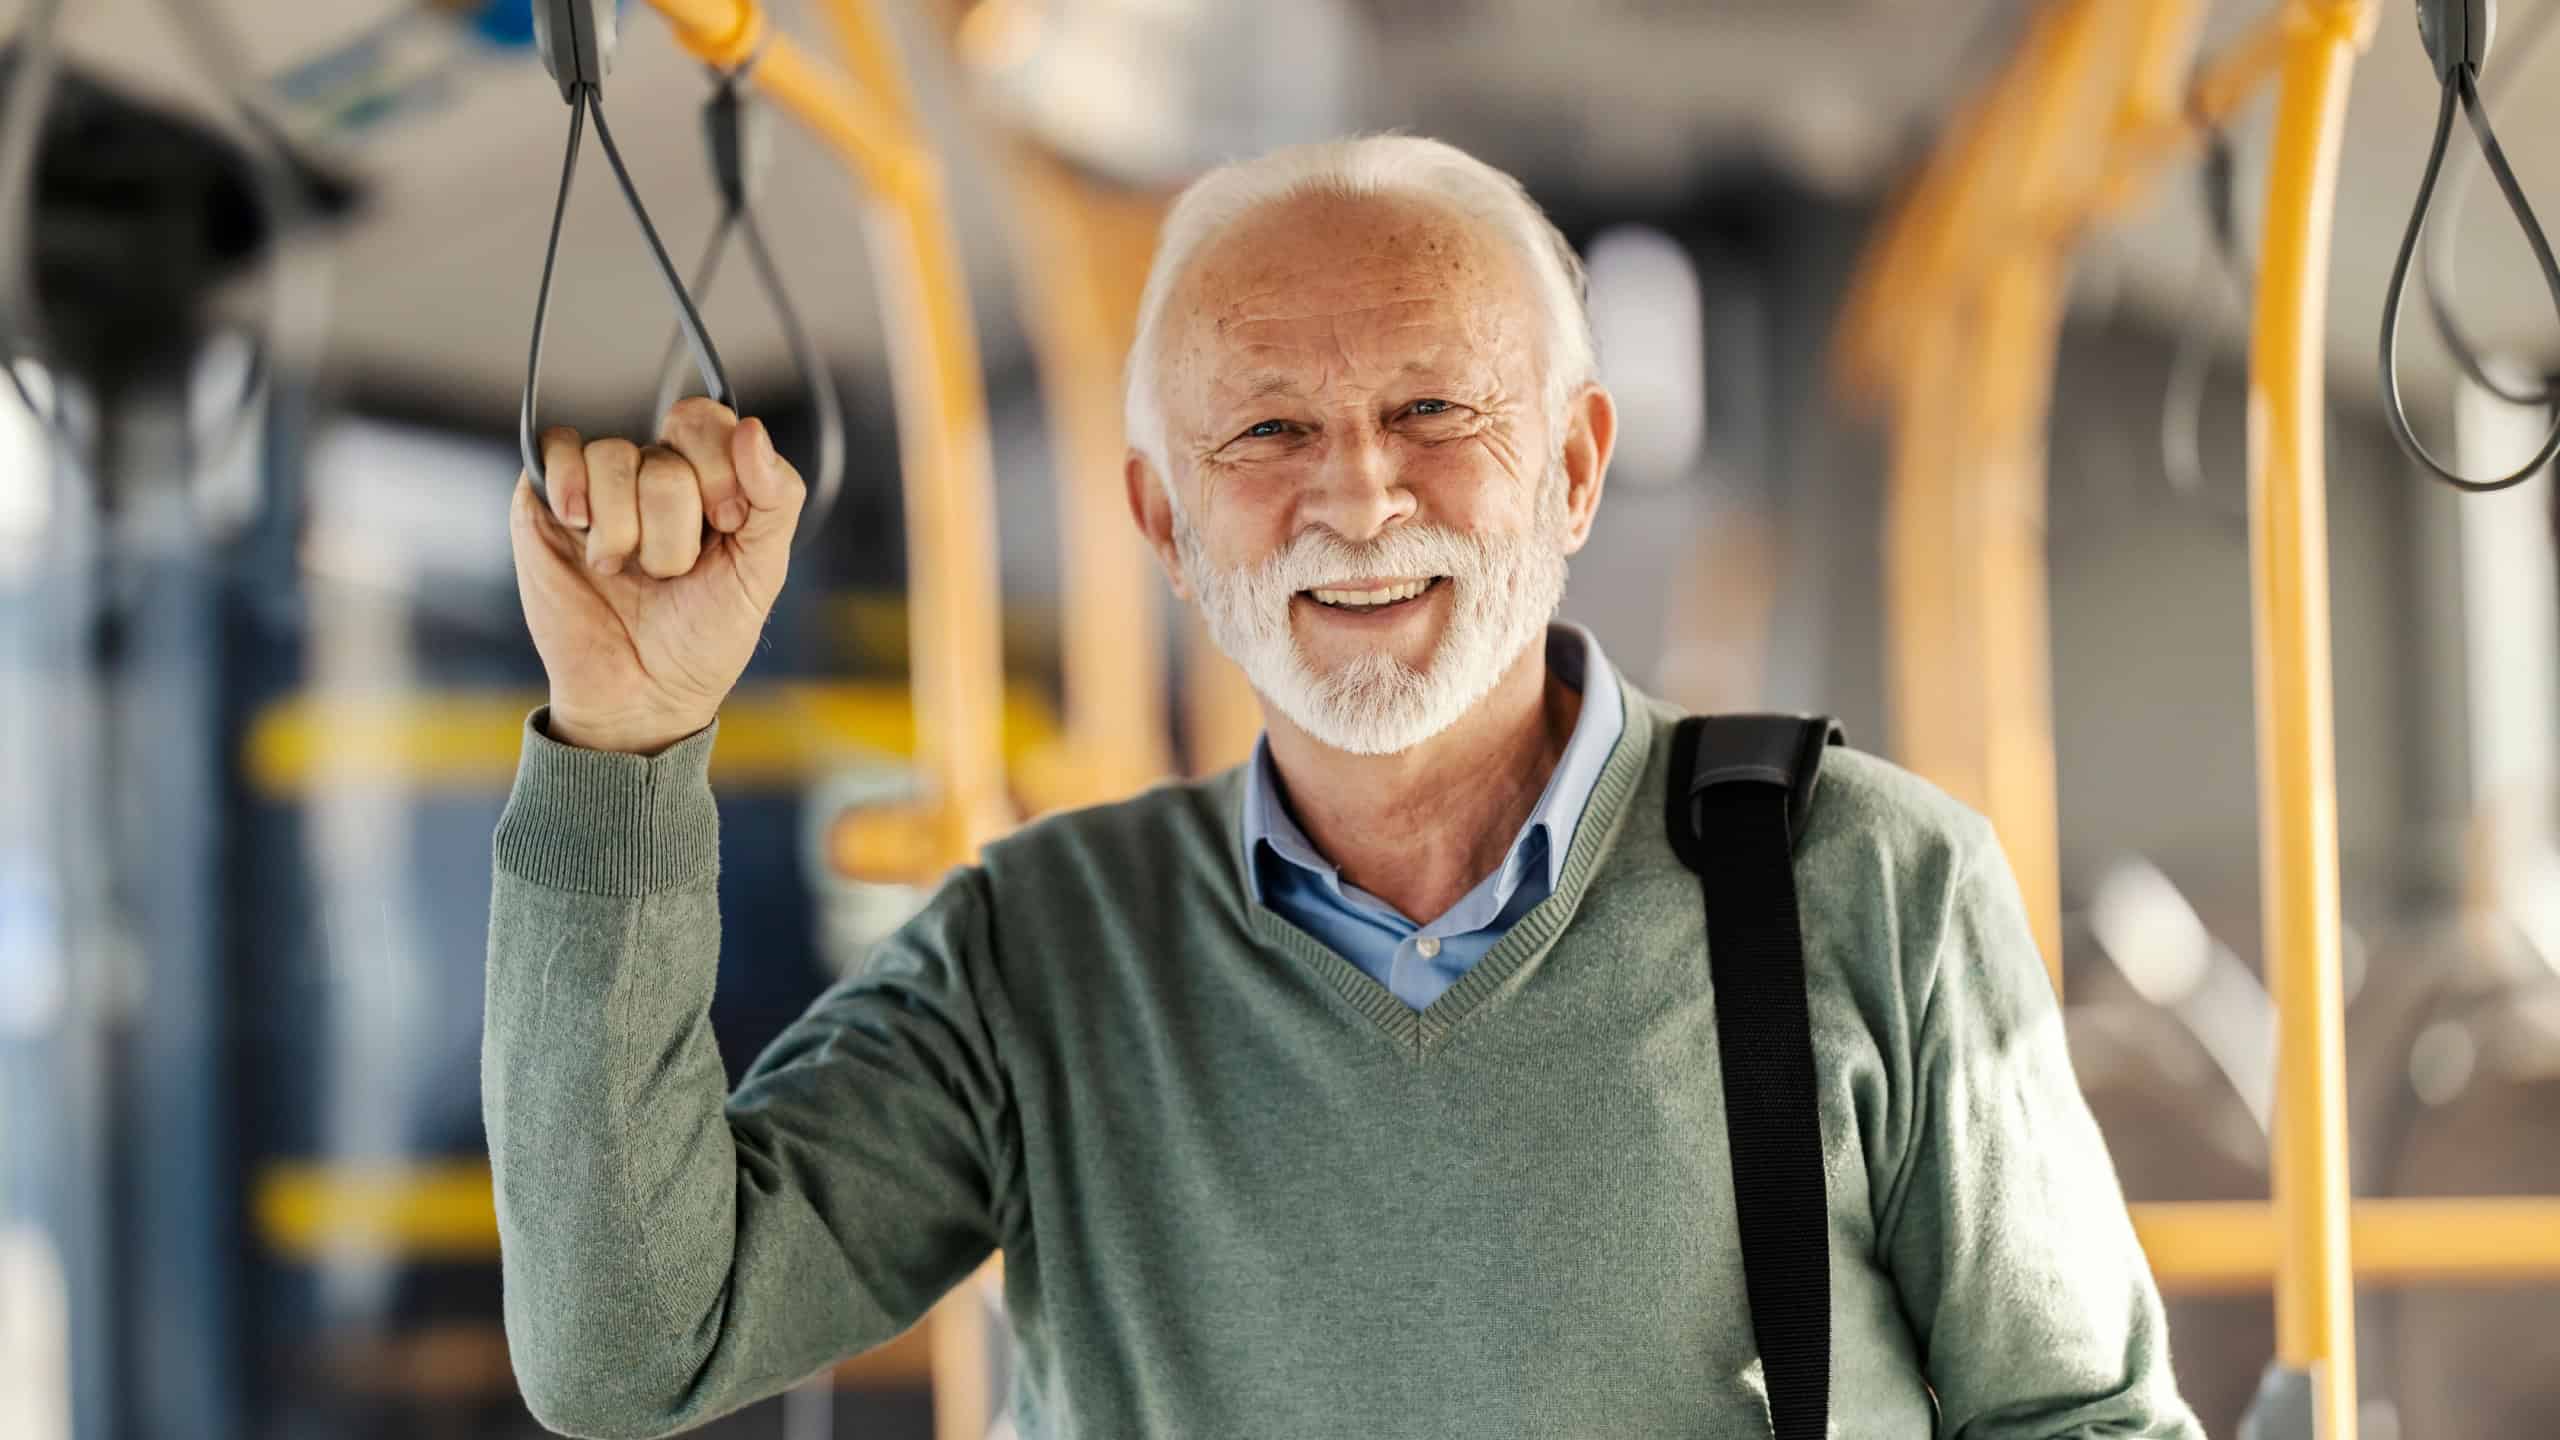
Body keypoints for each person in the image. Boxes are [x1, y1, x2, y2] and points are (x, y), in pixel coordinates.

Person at [486, 134, 2202, 1439]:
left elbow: (2081, 1422)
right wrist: (628, 742)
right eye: (1267, 433)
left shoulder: (1873, 885)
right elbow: (633, 1352)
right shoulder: (1043, 954)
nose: (1362, 498)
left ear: (1577, 468)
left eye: (1435, 405)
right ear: (1164, 523)